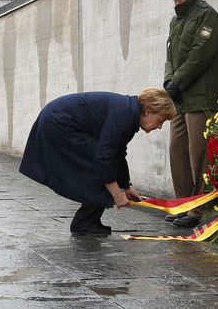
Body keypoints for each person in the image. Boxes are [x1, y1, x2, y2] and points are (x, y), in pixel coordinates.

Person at [19, 88, 176, 236]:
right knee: (101, 163)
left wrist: (127, 186)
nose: (160, 127)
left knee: (104, 162)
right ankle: (85, 223)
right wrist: (117, 194)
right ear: (148, 111)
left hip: (56, 118)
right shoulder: (125, 114)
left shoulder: (130, 112)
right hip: (58, 123)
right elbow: (104, 158)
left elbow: (118, 153)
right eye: (160, 120)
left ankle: (86, 222)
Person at [158, 0, 218, 228]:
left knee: (199, 153)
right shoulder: (177, 21)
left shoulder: (207, 16)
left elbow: (200, 56)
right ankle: (183, 203)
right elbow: (170, 56)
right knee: (177, 149)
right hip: (179, 96)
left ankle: (198, 208)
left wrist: (176, 83)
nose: (175, 1)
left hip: (201, 95)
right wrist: (168, 81)